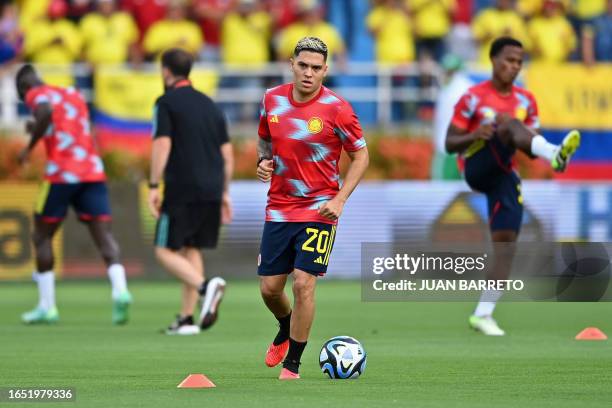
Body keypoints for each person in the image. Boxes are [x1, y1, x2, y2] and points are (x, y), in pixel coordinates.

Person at [445, 37, 580, 336]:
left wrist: (532, 142)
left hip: (505, 173)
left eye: (519, 62)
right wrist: (476, 133)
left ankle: (483, 314)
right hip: (477, 164)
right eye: (508, 60)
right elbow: (449, 143)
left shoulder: (526, 100)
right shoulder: (472, 98)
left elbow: (530, 145)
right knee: (506, 123)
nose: (514, 66)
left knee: (506, 246)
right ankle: (556, 156)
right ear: (493, 60)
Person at [256, 37, 369, 379]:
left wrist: (340, 199)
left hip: (320, 209)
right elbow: (265, 137)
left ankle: (293, 364)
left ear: (326, 70)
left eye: (316, 68)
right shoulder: (272, 99)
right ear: (292, 64)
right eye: (302, 65)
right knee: (270, 289)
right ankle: (285, 326)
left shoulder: (338, 109)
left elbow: (361, 155)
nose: (308, 73)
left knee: (303, 283)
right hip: (279, 207)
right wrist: (264, 160)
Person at [16, 64, 132, 325]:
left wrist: (29, 147)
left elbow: (44, 111)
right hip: (92, 170)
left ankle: (47, 307)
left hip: (61, 174)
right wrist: (38, 128)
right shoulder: (72, 93)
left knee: (41, 235)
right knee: (104, 236)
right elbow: (71, 125)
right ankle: (121, 290)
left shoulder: (36, 93)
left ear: (25, 89)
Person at [148, 48, 233, 335]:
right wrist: (224, 193)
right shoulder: (210, 105)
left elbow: (162, 144)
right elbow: (227, 154)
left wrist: (153, 185)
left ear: (166, 71)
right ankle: (186, 319)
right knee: (191, 247)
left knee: (163, 250)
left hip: (182, 187)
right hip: (211, 187)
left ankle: (205, 287)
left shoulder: (166, 102)